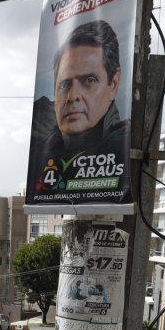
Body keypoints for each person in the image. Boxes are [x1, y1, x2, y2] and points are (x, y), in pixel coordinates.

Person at [27, 19, 131, 204]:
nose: (72, 96)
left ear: (113, 84)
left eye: (89, 80)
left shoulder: (122, 146)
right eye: (65, 84)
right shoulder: (41, 150)